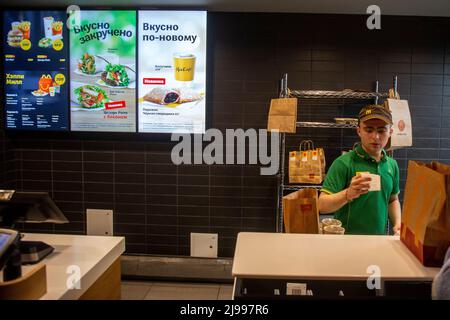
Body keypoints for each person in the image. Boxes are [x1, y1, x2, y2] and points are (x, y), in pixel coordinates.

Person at [318, 104, 401, 235]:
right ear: (359, 131)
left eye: (381, 130)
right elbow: (322, 205)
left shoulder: (392, 165)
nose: (376, 137)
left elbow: (393, 199)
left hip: (379, 241)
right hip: (346, 241)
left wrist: (397, 223)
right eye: (369, 130)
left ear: (390, 132)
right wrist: (348, 194)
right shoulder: (343, 163)